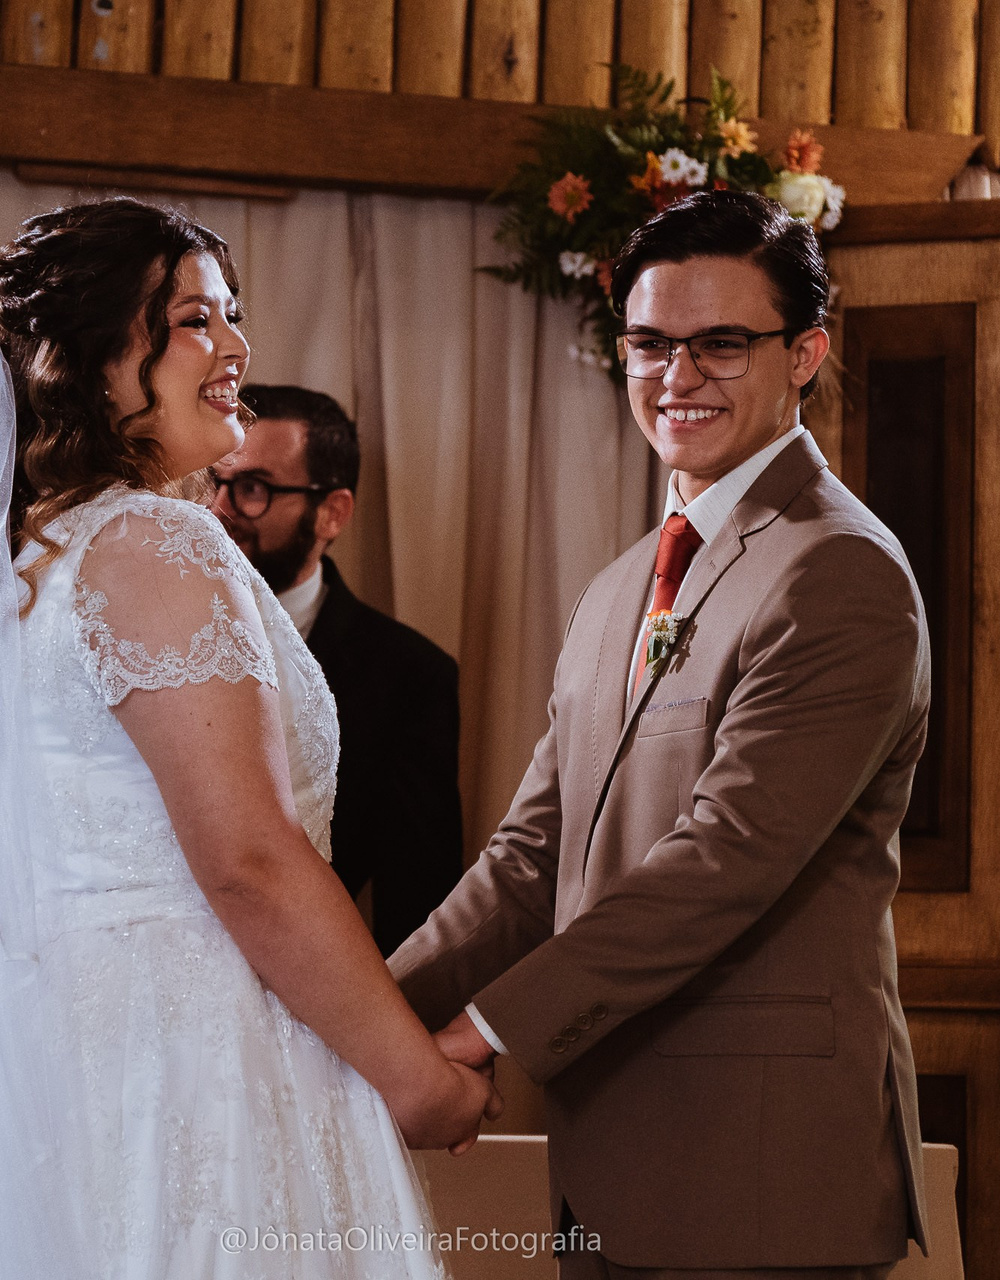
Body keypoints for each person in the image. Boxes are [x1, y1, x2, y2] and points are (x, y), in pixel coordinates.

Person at [0, 197, 497, 1280]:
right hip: (188, 1075)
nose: (236, 348)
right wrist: (418, 1081)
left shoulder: (30, 560)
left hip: (55, 1071)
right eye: (196, 321)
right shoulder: (155, 542)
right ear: (99, 360)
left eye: (233, 315)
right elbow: (248, 861)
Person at [388, 189, 933, 1278]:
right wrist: (366, 1016)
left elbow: (725, 861)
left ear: (805, 354)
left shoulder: (839, 569)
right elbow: (531, 856)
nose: (677, 376)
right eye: (649, 343)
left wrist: (485, 1031)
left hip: (760, 1174)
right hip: (609, 1160)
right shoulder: (621, 584)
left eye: (721, 343)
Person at [208, 385, 465, 954]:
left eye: (253, 488)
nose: (219, 509)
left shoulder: (409, 677)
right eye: (212, 482)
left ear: (332, 513)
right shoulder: (142, 630)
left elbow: (416, 898)